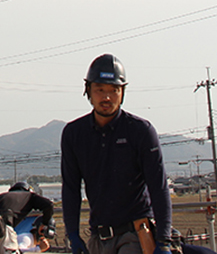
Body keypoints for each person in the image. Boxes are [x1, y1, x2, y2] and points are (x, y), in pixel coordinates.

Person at [61, 54, 173, 254]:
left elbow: (159, 187)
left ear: (122, 93)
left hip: (135, 233)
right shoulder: (74, 134)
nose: (106, 97)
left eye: (114, 90)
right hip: (98, 237)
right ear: (88, 90)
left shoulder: (140, 131)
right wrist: (73, 235)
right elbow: (71, 189)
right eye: (100, 90)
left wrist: (164, 241)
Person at [0, 182, 54, 254]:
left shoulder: (1, 196)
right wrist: (44, 223)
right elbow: (49, 205)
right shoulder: (28, 196)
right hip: (1, 226)